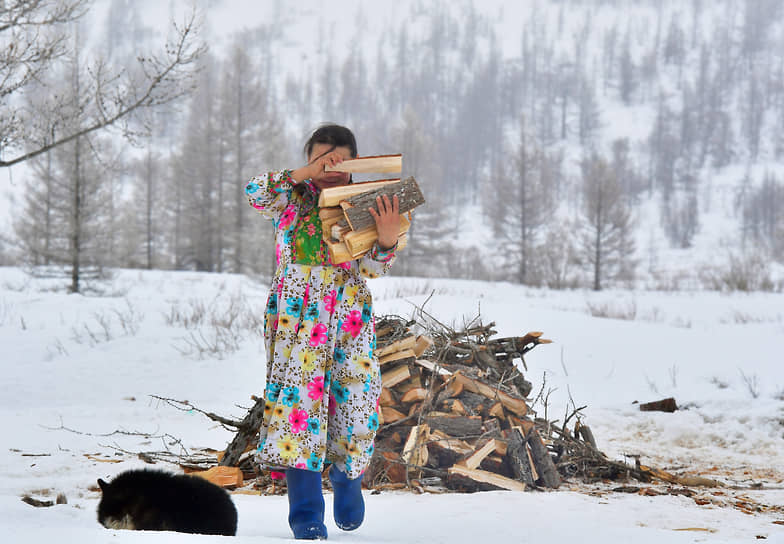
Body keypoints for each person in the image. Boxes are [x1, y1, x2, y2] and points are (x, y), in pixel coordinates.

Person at [245, 124, 400, 540]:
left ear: (356, 162)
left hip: (349, 322)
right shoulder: (289, 200)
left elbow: (371, 268)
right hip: (296, 323)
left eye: (341, 159)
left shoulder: (366, 203)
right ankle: (307, 516)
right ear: (310, 159)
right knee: (299, 416)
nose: (332, 166)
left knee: (356, 409)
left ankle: (348, 485)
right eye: (323, 158)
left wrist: (386, 240)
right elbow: (254, 192)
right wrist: (302, 173)